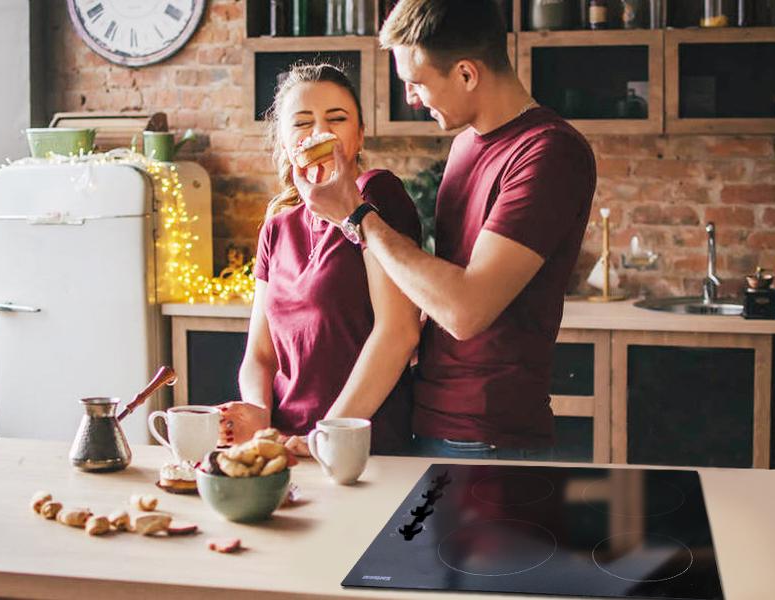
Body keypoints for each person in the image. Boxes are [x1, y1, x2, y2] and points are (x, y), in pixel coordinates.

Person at [294, 0, 597, 460]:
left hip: (489, 434)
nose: (411, 98)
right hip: (431, 416)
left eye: (416, 83)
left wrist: (356, 217)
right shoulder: (463, 148)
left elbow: (465, 310)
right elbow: (436, 290)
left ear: (466, 74)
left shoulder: (548, 153)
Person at [218, 63, 422, 456]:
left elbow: (398, 333)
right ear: (283, 139)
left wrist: (326, 437)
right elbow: (259, 355)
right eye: (302, 122)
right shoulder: (277, 227)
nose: (319, 133)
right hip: (285, 447)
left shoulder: (378, 197)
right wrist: (259, 413)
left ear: (360, 134)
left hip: (360, 448)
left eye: (337, 119)